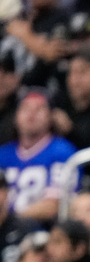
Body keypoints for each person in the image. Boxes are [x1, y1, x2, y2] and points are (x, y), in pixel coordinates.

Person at [0, 90, 77, 222]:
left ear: (51, 116)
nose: (31, 114)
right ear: (16, 116)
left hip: (41, 230)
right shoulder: (3, 154)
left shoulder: (62, 151)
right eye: (26, 108)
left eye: (39, 108)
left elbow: (54, 205)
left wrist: (10, 220)